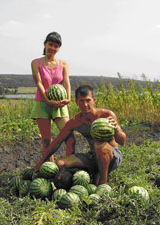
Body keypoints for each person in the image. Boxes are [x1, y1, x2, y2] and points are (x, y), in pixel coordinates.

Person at [34, 85, 126, 185]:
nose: (85, 104)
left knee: (99, 145)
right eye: (81, 101)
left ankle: (102, 182)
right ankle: (84, 177)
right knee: (61, 163)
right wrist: (40, 162)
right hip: (92, 156)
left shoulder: (107, 115)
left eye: (88, 100)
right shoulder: (76, 121)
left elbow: (122, 141)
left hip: (112, 156)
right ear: (76, 102)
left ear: (94, 100)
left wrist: (116, 129)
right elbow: (57, 142)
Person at [30, 32, 75, 162]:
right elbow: (39, 83)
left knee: (69, 136)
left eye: (56, 46)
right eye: (50, 44)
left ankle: (69, 165)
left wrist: (68, 98)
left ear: (59, 48)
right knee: (46, 140)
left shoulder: (64, 63)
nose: (53, 48)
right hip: (42, 103)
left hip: (60, 104)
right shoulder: (36, 63)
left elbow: (66, 82)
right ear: (45, 44)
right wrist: (47, 100)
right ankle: (51, 167)